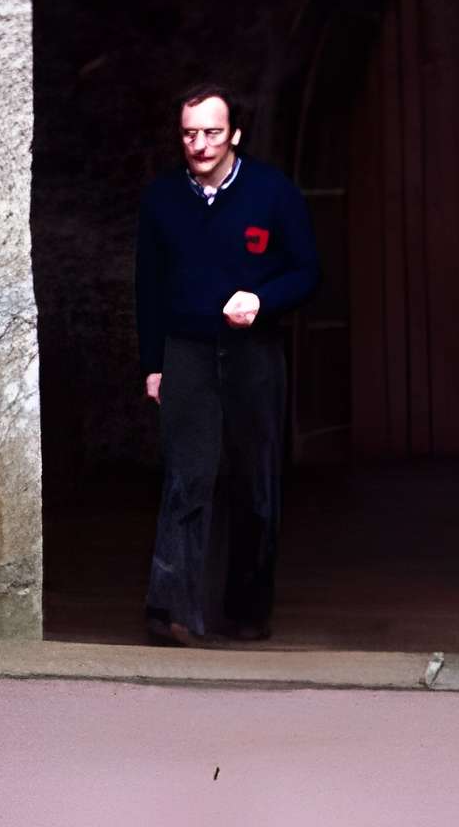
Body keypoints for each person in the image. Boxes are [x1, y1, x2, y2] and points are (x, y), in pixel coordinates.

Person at [136, 80, 320, 646]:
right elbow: (148, 286)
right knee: (186, 479)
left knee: (254, 482)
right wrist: (152, 365)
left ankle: (247, 612)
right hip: (186, 350)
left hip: (253, 352)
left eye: (212, 132)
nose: (201, 144)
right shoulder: (163, 197)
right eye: (190, 133)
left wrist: (263, 302)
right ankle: (171, 613)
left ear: (234, 133)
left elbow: (308, 272)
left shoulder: (272, 192)